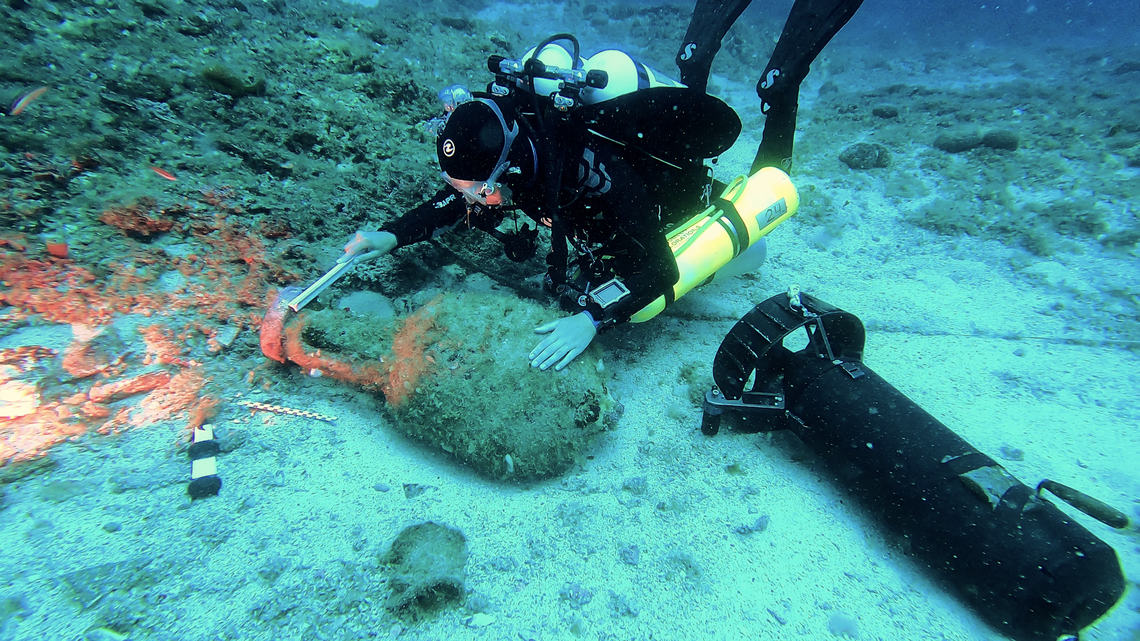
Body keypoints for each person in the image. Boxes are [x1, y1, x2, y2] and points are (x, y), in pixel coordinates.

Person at [341, 0, 863, 372]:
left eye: (480, 189)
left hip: (669, 200)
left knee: (758, 241)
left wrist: (591, 319)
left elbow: (657, 269)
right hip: (641, 150)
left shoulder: (591, 171)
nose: (473, 200)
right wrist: (391, 234)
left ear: (513, 170)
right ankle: (695, 65)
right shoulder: (514, 140)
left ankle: (783, 83)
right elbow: (456, 196)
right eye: (466, 188)